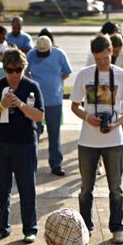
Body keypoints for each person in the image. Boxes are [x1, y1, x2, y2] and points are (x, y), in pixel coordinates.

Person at [70, 35, 123, 245]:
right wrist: (88, 117)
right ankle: (85, 227)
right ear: (93, 56)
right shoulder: (85, 75)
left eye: (105, 59)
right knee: (85, 188)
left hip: (114, 140)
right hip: (87, 141)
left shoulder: (122, 76)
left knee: (115, 188)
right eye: (98, 59)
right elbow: (74, 105)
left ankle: (117, 227)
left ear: (111, 52)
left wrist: (116, 124)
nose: (102, 63)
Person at [0, 49, 44, 243]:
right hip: (0, 143)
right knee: (1, 188)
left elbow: (39, 116)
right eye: (10, 70)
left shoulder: (31, 86)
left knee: (27, 188)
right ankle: (1, 226)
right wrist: (2, 105)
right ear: (5, 70)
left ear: (23, 69)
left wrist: (20, 105)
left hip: (24, 144)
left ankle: (30, 228)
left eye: (18, 70)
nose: (14, 74)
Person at [26, 35, 72, 176]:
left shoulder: (59, 54)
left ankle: (56, 163)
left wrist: (55, 83)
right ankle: (30, 164)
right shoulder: (31, 55)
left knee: (54, 133)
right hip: (35, 101)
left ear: (51, 48)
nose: (42, 55)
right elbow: (25, 72)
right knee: (33, 133)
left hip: (54, 100)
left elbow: (67, 72)